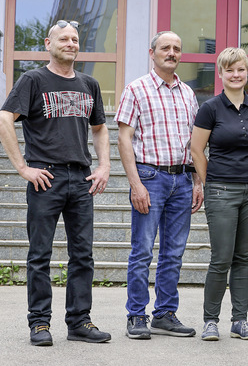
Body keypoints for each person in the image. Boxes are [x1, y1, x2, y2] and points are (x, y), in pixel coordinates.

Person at [0, 19, 111, 346]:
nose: (70, 43)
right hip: (44, 177)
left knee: (83, 255)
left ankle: (79, 322)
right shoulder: (32, 80)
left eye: (75, 39)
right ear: (48, 43)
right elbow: (5, 118)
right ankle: (39, 323)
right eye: (63, 39)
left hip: (81, 178)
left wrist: (104, 165)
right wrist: (22, 167)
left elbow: (101, 128)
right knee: (39, 254)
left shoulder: (89, 84)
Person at [116, 31, 203, 339]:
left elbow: (194, 143)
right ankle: (136, 315)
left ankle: (165, 314)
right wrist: (135, 184)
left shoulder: (188, 94)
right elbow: (123, 138)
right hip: (149, 178)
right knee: (142, 251)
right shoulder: (136, 89)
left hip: (181, 178)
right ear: (151, 52)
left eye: (177, 48)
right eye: (165, 47)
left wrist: (197, 181)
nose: (172, 52)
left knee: (173, 251)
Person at [190, 47, 248, 341]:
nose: (236, 75)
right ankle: (211, 321)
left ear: (247, 72)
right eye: (230, 70)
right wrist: (213, 182)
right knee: (221, 258)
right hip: (221, 190)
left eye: (241, 69)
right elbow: (197, 150)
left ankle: (240, 320)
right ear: (221, 74)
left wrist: (245, 172)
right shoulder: (210, 108)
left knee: (243, 257)